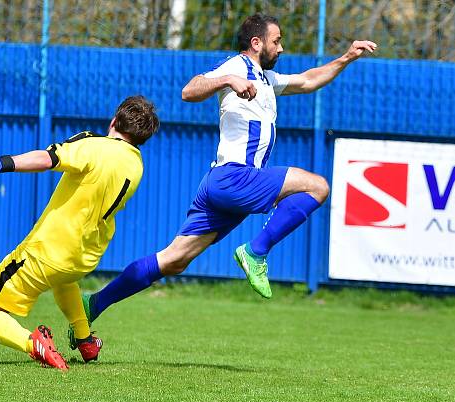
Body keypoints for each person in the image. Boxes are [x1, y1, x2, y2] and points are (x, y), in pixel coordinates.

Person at [80, 13, 376, 328]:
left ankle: (95, 302)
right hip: (236, 178)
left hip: (223, 183)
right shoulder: (237, 67)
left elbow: (308, 80)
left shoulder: (266, 79)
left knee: (174, 260)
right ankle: (256, 252)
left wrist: (347, 57)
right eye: (276, 41)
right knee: (317, 187)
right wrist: (227, 80)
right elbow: (189, 90)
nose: (282, 48)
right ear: (256, 42)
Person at [0, 96, 159, 370]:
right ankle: (85, 340)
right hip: (83, 259)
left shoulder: (93, 146)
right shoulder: (136, 164)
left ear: (114, 121)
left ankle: (34, 344)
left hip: (44, 253)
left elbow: (47, 158)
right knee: (63, 280)